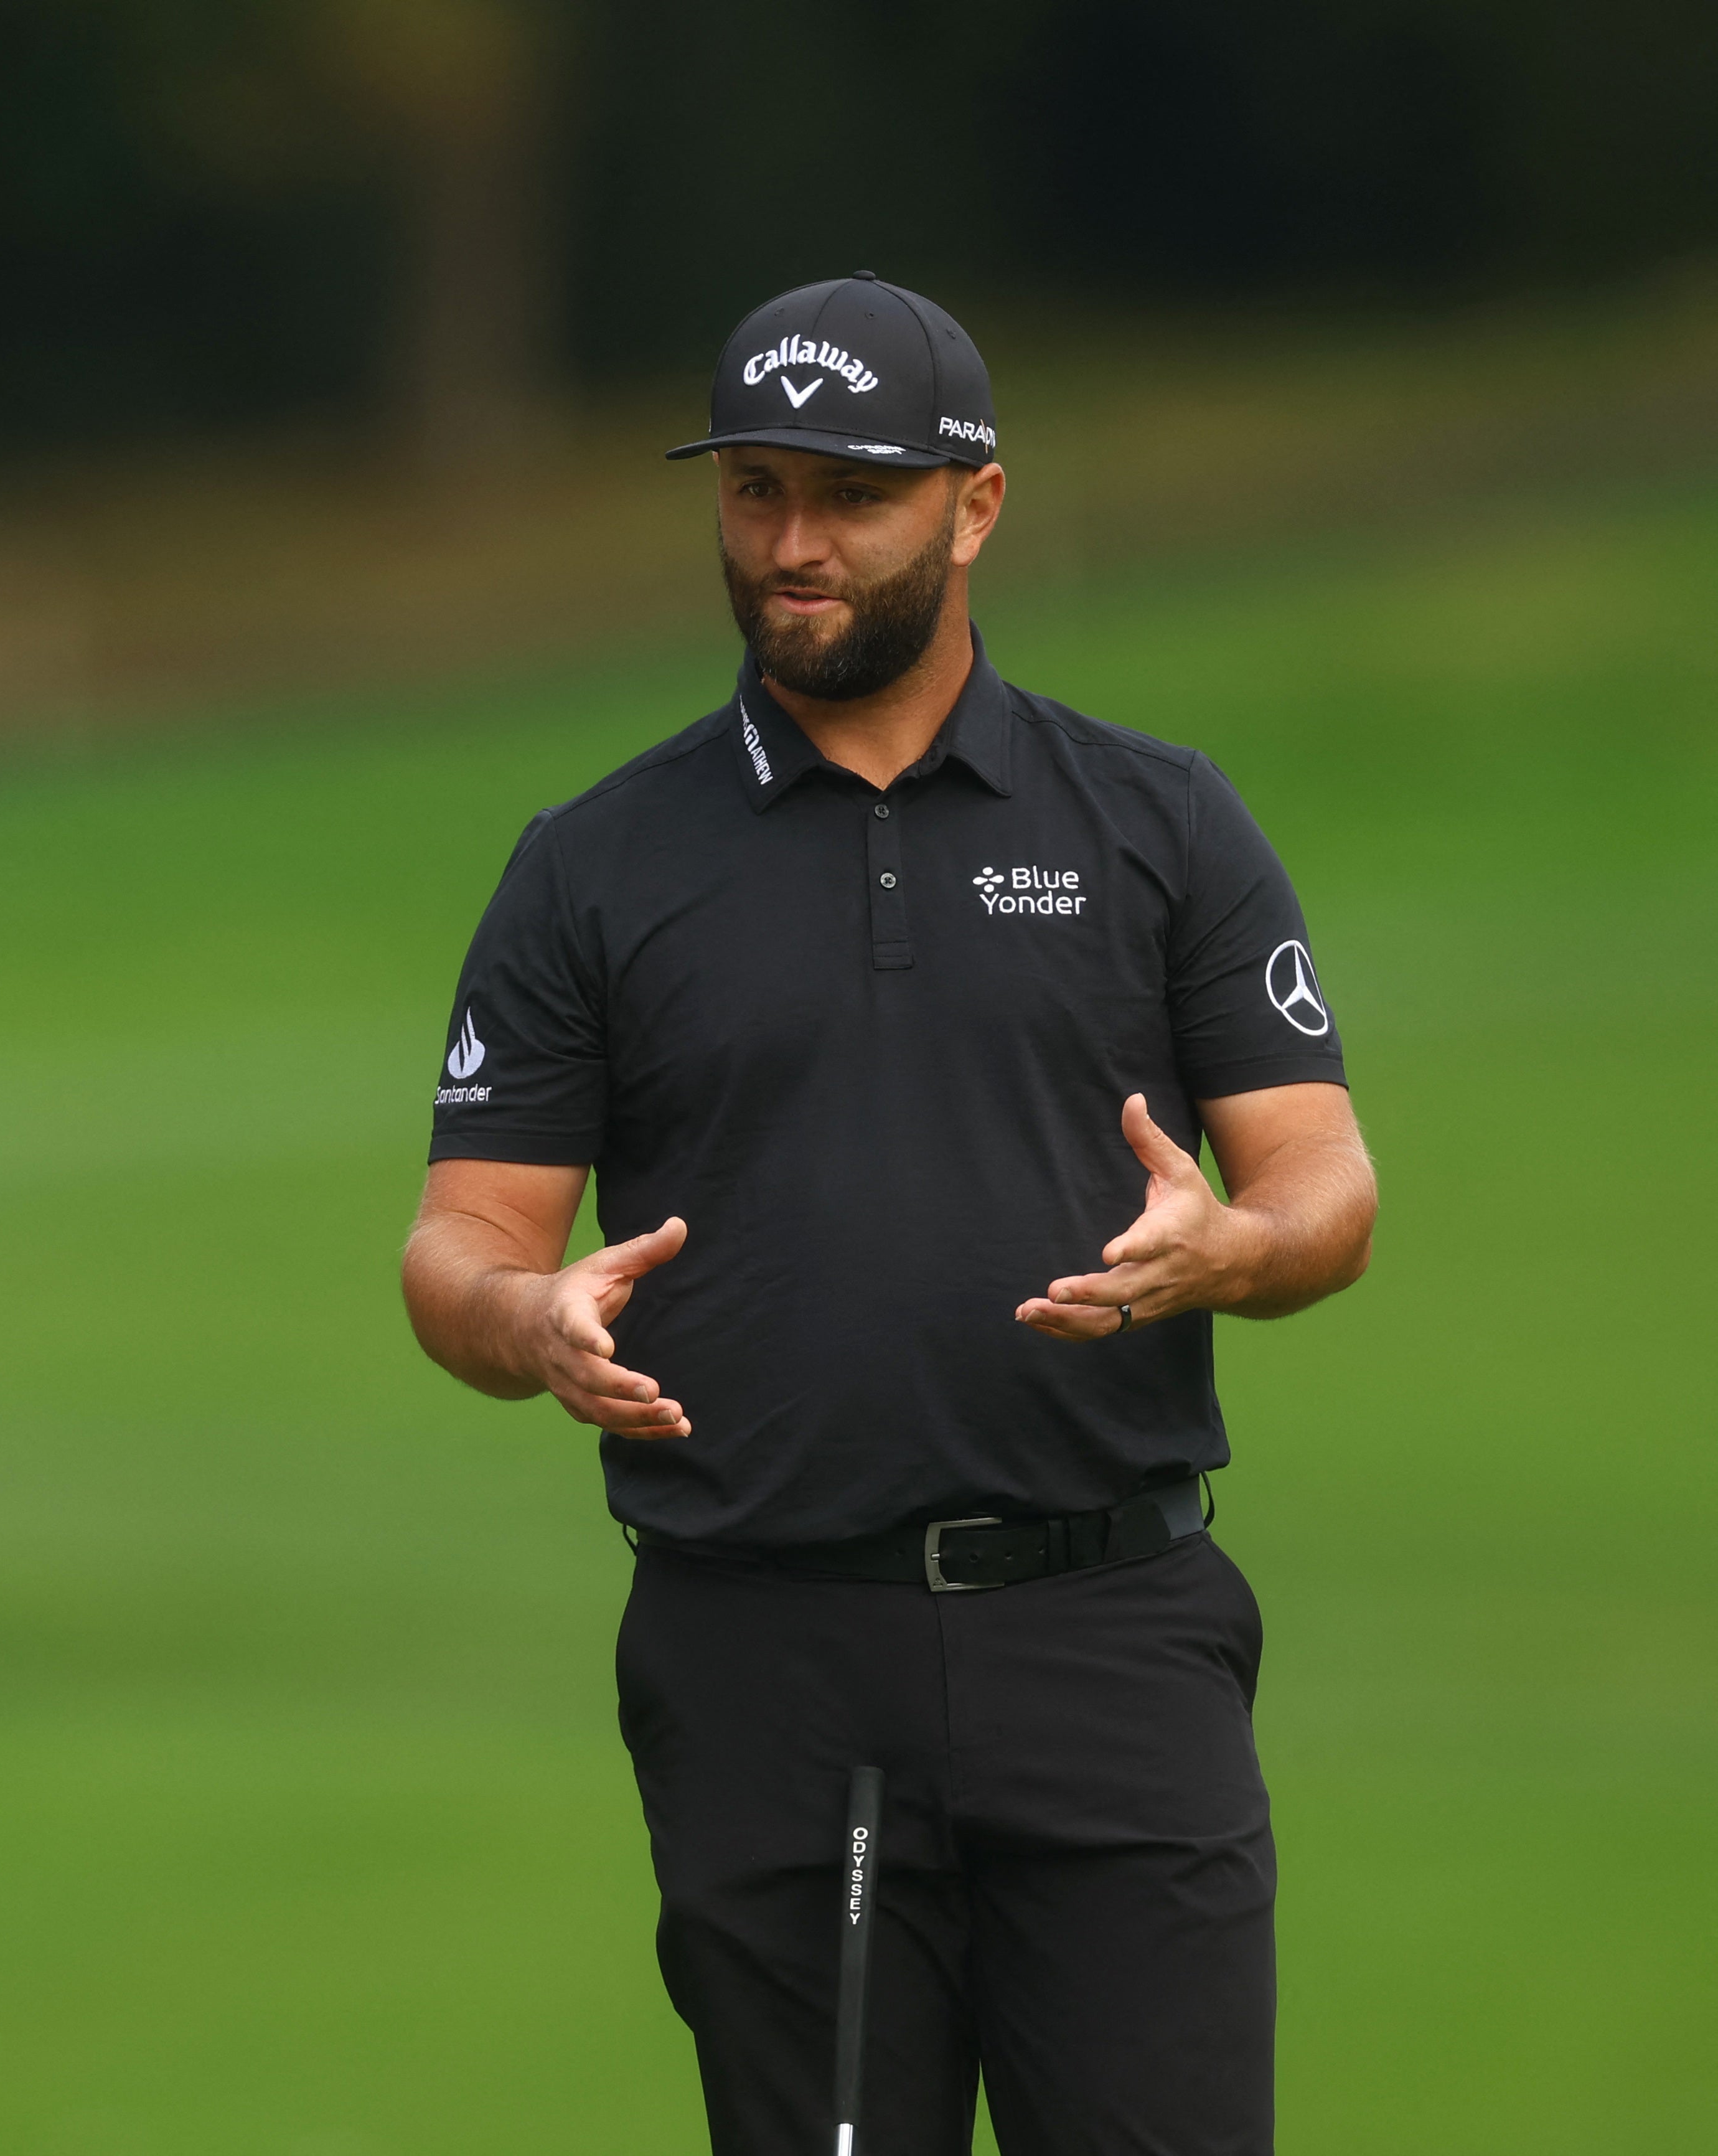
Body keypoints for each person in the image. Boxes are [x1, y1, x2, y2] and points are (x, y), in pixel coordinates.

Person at [401, 275, 1376, 2155]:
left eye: (847, 496)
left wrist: (1234, 1251)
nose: (791, 545)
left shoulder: (1154, 822)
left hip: (1110, 1640)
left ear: (973, 505)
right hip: (767, 1665)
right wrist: (523, 1324)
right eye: (754, 492)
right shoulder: (593, 866)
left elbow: (1324, 1183)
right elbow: (459, 1242)